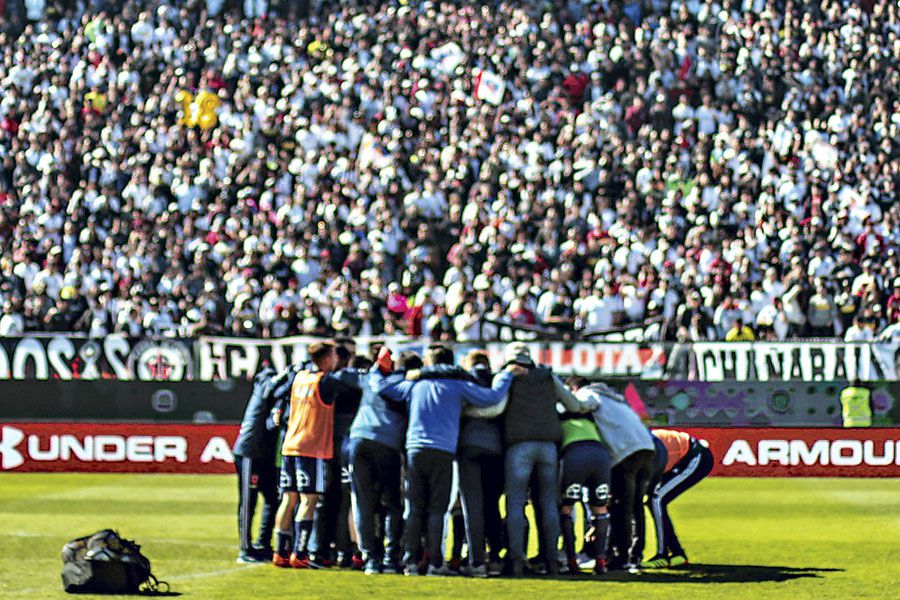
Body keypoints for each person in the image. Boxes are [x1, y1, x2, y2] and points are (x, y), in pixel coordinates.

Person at [376, 344, 518, 576]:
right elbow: (491, 398)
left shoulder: (416, 384)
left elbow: (385, 387)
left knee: (414, 508)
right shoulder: (458, 385)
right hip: (443, 450)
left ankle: (410, 562)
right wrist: (506, 376)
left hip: (414, 448)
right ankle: (435, 564)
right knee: (437, 509)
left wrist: (381, 369)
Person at [501, 343, 595, 577]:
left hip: (518, 446)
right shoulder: (548, 377)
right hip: (548, 447)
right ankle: (552, 560)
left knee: (515, 504)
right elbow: (573, 404)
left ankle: (516, 562)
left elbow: (496, 406)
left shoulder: (506, 378)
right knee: (548, 504)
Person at [270, 341, 349, 568]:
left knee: (289, 498)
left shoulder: (300, 378)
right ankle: (300, 553)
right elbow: (351, 383)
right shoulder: (325, 381)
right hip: (312, 448)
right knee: (309, 499)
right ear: (326, 359)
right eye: (334, 356)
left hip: (290, 445)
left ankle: (280, 552)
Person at [570, 379, 656, 572]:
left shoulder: (588, 394)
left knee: (620, 508)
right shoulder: (616, 399)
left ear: (575, 387)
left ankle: (619, 557)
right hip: (646, 449)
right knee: (635, 507)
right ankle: (635, 555)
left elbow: (579, 405)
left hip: (624, 453)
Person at [642, 429, 715, 568]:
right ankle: (677, 554)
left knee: (656, 500)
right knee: (654, 501)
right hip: (679, 458)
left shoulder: (643, 447)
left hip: (694, 456)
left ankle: (662, 554)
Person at [557, 397, 613, 575]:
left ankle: (571, 561)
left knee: (566, 508)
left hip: (575, 455)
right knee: (600, 509)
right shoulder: (589, 419)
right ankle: (600, 561)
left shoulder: (559, 418)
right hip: (601, 456)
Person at [232, 364, 279, 563]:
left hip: (263, 455)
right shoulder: (264, 388)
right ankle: (245, 549)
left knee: (272, 498)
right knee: (248, 502)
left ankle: (262, 543)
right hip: (249, 453)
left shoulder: (269, 397)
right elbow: (269, 385)